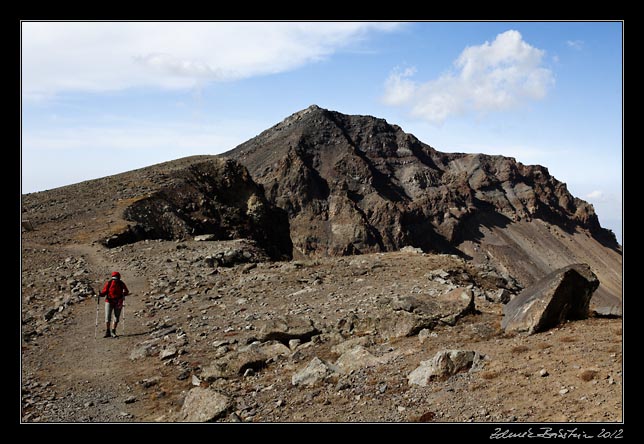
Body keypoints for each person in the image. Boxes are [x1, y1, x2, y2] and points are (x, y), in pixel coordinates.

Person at [99, 271, 130, 338]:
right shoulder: (121, 283)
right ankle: (112, 331)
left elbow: (104, 292)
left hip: (109, 301)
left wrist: (100, 294)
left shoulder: (109, 282)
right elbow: (127, 292)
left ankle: (108, 331)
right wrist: (124, 294)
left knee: (108, 317)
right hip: (118, 302)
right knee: (116, 317)